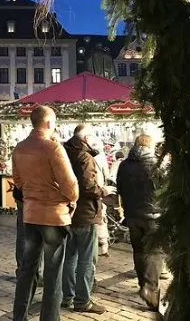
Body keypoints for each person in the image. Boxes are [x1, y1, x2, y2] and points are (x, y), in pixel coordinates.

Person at [12, 106, 79, 321]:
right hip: (53, 216)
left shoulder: (19, 148)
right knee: (53, 272)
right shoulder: (53, 148)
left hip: (31, 214)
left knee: (27, 268)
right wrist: (71, 199)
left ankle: (19, 316)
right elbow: (70, 185)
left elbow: (19, 182)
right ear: (49, 123)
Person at [62, 125, 115, 314]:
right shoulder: (84, 156)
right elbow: (88, 187)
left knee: (69, 257)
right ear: (85, 137)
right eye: (92, 136)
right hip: (86, 212)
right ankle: (83, 300)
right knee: (86, 259)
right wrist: (104, 190)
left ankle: (66, 296)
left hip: (67, 212)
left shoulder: (63, 151)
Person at [117, 134, 163, 311]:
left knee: (138, 249)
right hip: (154, 215)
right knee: (155, 251)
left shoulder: (124, 164)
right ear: (149, 146)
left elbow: (120, 187)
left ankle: (143, 283)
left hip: (132, 214)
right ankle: (150, 289)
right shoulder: (156, 163)